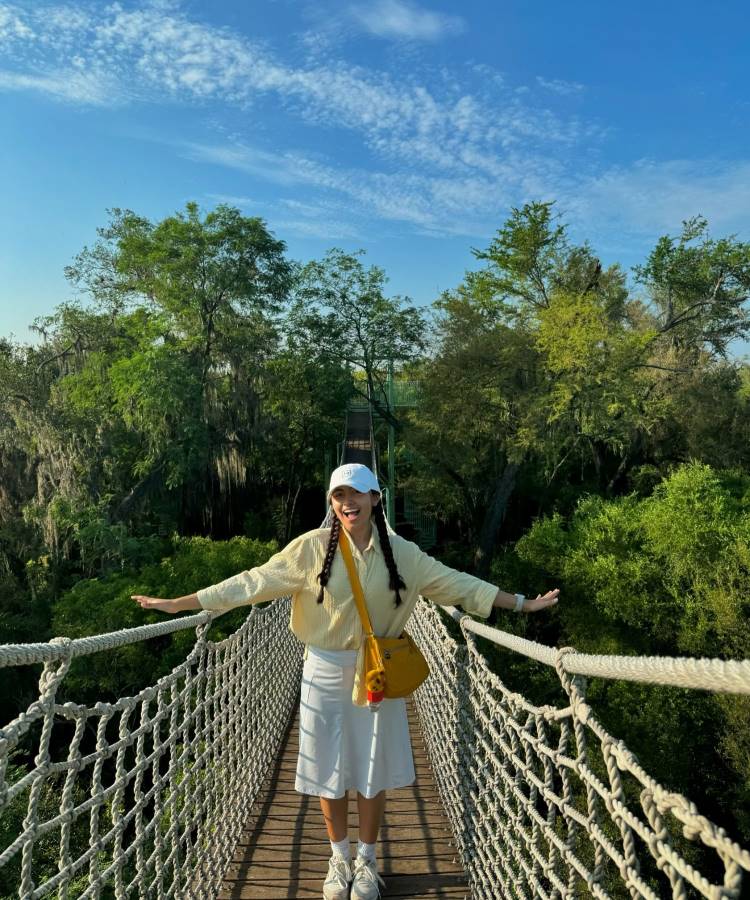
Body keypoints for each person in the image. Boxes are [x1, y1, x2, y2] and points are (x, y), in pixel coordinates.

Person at [132, 463, 560, 900]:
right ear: (332, 502)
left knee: (371, 770)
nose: (346, 502)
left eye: (355, 493)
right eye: (338, 495)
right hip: (323, 670)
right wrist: (182, 603)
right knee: (327, 770)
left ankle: (368, 862)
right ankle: (339, 859)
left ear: (376, 499)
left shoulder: (404, 554)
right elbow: (253, 582)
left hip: (377, 672)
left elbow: (458, 585)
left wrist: (523, 604)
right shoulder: (311, 549)